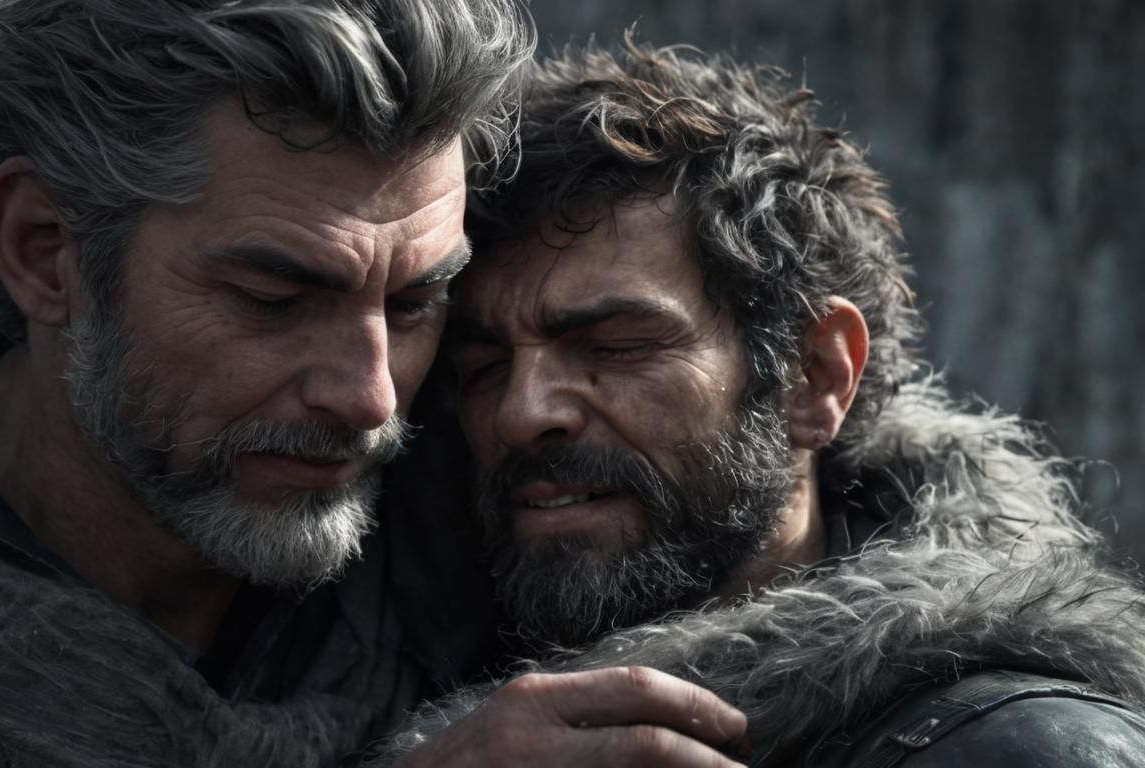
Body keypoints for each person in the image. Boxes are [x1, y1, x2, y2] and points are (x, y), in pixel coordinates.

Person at [0, 0, 542, 764]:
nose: (370, 398)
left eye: (415, 303)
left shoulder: (488, 544)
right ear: (43, 250)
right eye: (273, 300)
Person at [375, 41, 1145, 766]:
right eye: (482, 366)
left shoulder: (1024, 747)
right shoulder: (370, 677)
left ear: (816, 376)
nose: (520, 412)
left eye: (614, 346)